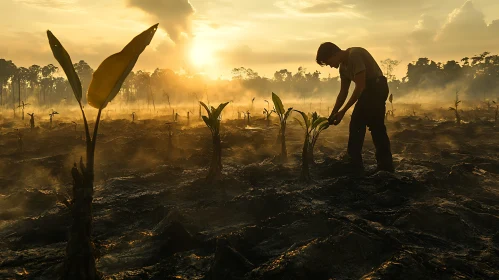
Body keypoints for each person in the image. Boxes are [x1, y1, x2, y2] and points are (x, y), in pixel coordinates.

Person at [316, 42, 394, 173]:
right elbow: (343, 93)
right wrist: (334, 112)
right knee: (376, 126)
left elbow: (360, 86)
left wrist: (343, 111)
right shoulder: (343, 68)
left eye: (328, 62)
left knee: (358, 124)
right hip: (368, 90)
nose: (330, 66)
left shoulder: (354, 55)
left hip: (376, 87)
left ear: (334, 54)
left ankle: (355, 164)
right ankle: (385, 166)